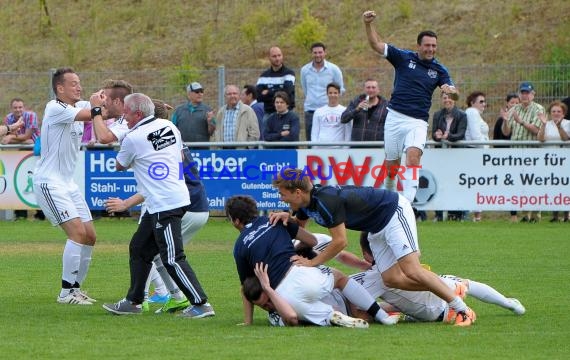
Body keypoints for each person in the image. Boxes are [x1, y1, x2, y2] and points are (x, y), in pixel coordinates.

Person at [271, 168, 475, 326]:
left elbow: (340, 241)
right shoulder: (307, 204)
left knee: (411, 269)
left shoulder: (325, 201)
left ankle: (462, 310)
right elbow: (302, 232)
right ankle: (450, 288)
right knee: (391, 279)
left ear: (297, 192)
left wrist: (312, 262)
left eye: (282, 194)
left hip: (393, 212)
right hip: (376, 227)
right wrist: (287, 220)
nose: (281, 198)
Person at [102, 93, 214, 318]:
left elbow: (118, 165)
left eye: (126, 111)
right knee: (139, 248)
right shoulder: (169, 125)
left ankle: (201, 304)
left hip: (166, 203)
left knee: (172, 257)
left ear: (138, 113)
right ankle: (133, 302)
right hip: (164, 200)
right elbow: (178, 156)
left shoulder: (134, 138)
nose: (123, 115)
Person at [226, 195, 397, 327]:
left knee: (303, 313)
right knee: (340, 278)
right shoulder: (276, 220)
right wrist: (289, 251)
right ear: (255, 211)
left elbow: (247, 288)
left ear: (236, 220)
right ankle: (382, 316)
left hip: (282, 296)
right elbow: (312, 242)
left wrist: (248, 322)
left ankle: (331, 316)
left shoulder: (240, 247)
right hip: (304, 274)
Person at [363, 10, 459, 204]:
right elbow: (376, 45)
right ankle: (388, 201)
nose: (431, 49)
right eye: (427, 45)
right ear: (419, 46)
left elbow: (455, 93)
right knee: (392, 168)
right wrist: (368, 24)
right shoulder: (403, 58)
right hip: (395, 118)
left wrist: (451, 91)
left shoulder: (439, 70)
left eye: (434, 46)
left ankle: (407, 205)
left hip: (417, 121)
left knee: (413, 158)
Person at [33, 67, 105, 305]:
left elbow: (102, 109)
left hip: (68, 184)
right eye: (73, 83)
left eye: (79, 82)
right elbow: (92, 113)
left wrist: (148, 107)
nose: (79, 87)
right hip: (50, 182)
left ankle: (76, 289)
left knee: (90, 236)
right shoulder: (54, 108)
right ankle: (66, 293)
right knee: (77, 233)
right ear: (60, 88)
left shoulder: (77, 106)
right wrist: (97, 107)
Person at [349, 232, 525, 322]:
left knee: (379, 305)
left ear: (366, 254)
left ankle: (460, 296)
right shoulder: (401, 259)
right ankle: (509, 304)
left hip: (432, 312)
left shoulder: (372, 277)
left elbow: (358, 306)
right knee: (465, 283)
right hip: (436, 302)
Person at [501, 82, 544, 223]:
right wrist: (505, 121)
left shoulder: (539, 109)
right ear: (519, 94)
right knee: (520, 185)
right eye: (523, 92)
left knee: (533, 185)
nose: (525, 95)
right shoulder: (514, 108)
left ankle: (536, 215)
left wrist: (521, 121)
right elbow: (506, 132)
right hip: (516, 155)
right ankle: (525, 215)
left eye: (527, 93)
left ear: (533, 95)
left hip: (531, 154)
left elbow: (537, 130)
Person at [431, 92, 467, 222]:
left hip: (456, 156)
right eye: (445, 98)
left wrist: (448, 136)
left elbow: (461, 134)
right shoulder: (437, 115)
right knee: (440, 184)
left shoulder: (462, 115)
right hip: (441, 156)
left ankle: (457, 214)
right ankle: (439, 214)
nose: (447, 100)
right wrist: (438, 136)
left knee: (456, 184)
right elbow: (433, 135)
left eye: (450, 98)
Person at [300, 42, 345, 141]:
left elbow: (340, 88)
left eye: (320, 52)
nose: (317, 55)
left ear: (325, 53)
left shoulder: (334, 69)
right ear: (311, 54)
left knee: (329, 139)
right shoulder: (304, 70)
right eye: (315, 53)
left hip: (328, 111)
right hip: (310, 111)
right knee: (311, 141)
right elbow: (305, 89)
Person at [537, 100, 570, 223]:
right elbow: (540, 139)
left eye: (559, 111)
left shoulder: (567, 123)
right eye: (553, 111)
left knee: (565, 187)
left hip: (565, 160)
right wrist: (544, 124)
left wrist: (559, 125)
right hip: (550, 161)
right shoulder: (547, 123)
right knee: (554, 187)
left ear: (563, 113)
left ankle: (567, 215)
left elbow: (565, 138)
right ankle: (555, 215)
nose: (556, 113)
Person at [464, 91, 490, 222]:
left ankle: (476, 215)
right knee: (474, 184)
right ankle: (473, 215)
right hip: (474, 154)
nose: (484, 104)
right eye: (481, 101)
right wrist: (486, 146)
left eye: (484, 101)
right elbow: (475, 136)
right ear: (472, 103)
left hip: (477, 153)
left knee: (476, 184)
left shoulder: (475, 114)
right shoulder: (472, 112)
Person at [256, 46, 296, 120]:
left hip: (286, 114)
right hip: (269, 114)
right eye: (274, 56)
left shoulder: (289, 74)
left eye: (279, 55)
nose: (277, 58)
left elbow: (287, 92)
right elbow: (258, 97)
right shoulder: (263, 76)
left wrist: (268, 92)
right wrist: (279, 89)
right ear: (269, 58)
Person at [91, 79, 134, 145]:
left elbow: (104, 138)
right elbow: (99, 136)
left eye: (105, 99)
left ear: (116, 101)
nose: (102, 102)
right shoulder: (122, 119)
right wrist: (94, 110)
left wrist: (96, 108)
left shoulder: (128, 120)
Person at [310, 82, 350, 148]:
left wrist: (345, 148)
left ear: (339, 94)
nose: (332, 95)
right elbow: (314, 133)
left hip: (338, 149)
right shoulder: (318, 112)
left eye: (335, 93)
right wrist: (315, 148)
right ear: (327, 94)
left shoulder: (345, 111)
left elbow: (348, 133)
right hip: (321, 149)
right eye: (330, 93)